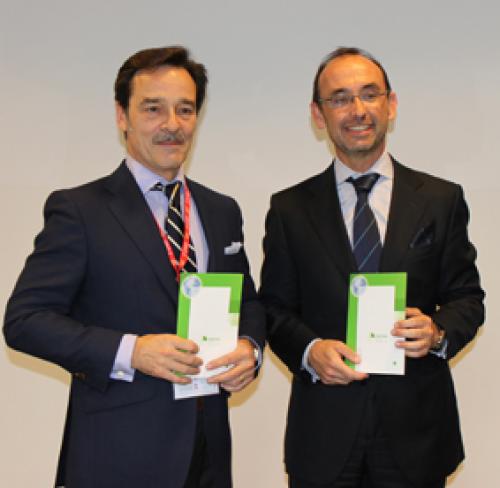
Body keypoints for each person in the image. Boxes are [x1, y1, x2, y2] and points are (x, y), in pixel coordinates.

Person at [4, 46, 265, 488]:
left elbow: (248, 303)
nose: (172, 124)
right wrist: (132, 351)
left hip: (208, 451)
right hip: (118, 455)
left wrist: (250, 348)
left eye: (185, 109)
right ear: (122, 116)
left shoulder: (221, 210)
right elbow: (25, 321)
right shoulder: (79, 210)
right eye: (153, 108)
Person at [259, 47, 484, 488]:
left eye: (369, 94)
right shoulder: (289, 209)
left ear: (391, 104)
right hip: (323, 432)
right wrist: (310, 351)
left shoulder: (440, 200)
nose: (357, 110)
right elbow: (273, 309)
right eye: (340, 98)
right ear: (318, 115)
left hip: (417, 432)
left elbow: (467, 298)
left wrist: (437, 333)